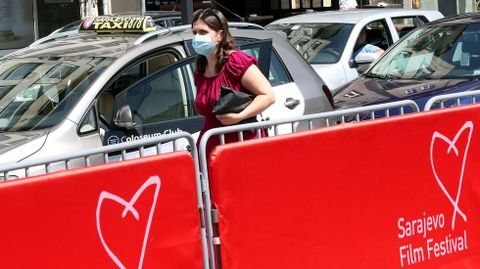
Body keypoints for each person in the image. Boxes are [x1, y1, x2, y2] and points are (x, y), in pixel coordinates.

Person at [191, 8, 275, 156]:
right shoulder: (200, 67)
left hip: (241, 148)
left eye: (203, 32)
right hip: (211, 150)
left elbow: (268, 95)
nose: (197, 37)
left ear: (220, 35)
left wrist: (238, 116)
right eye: (194, 33)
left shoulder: (236, 61)